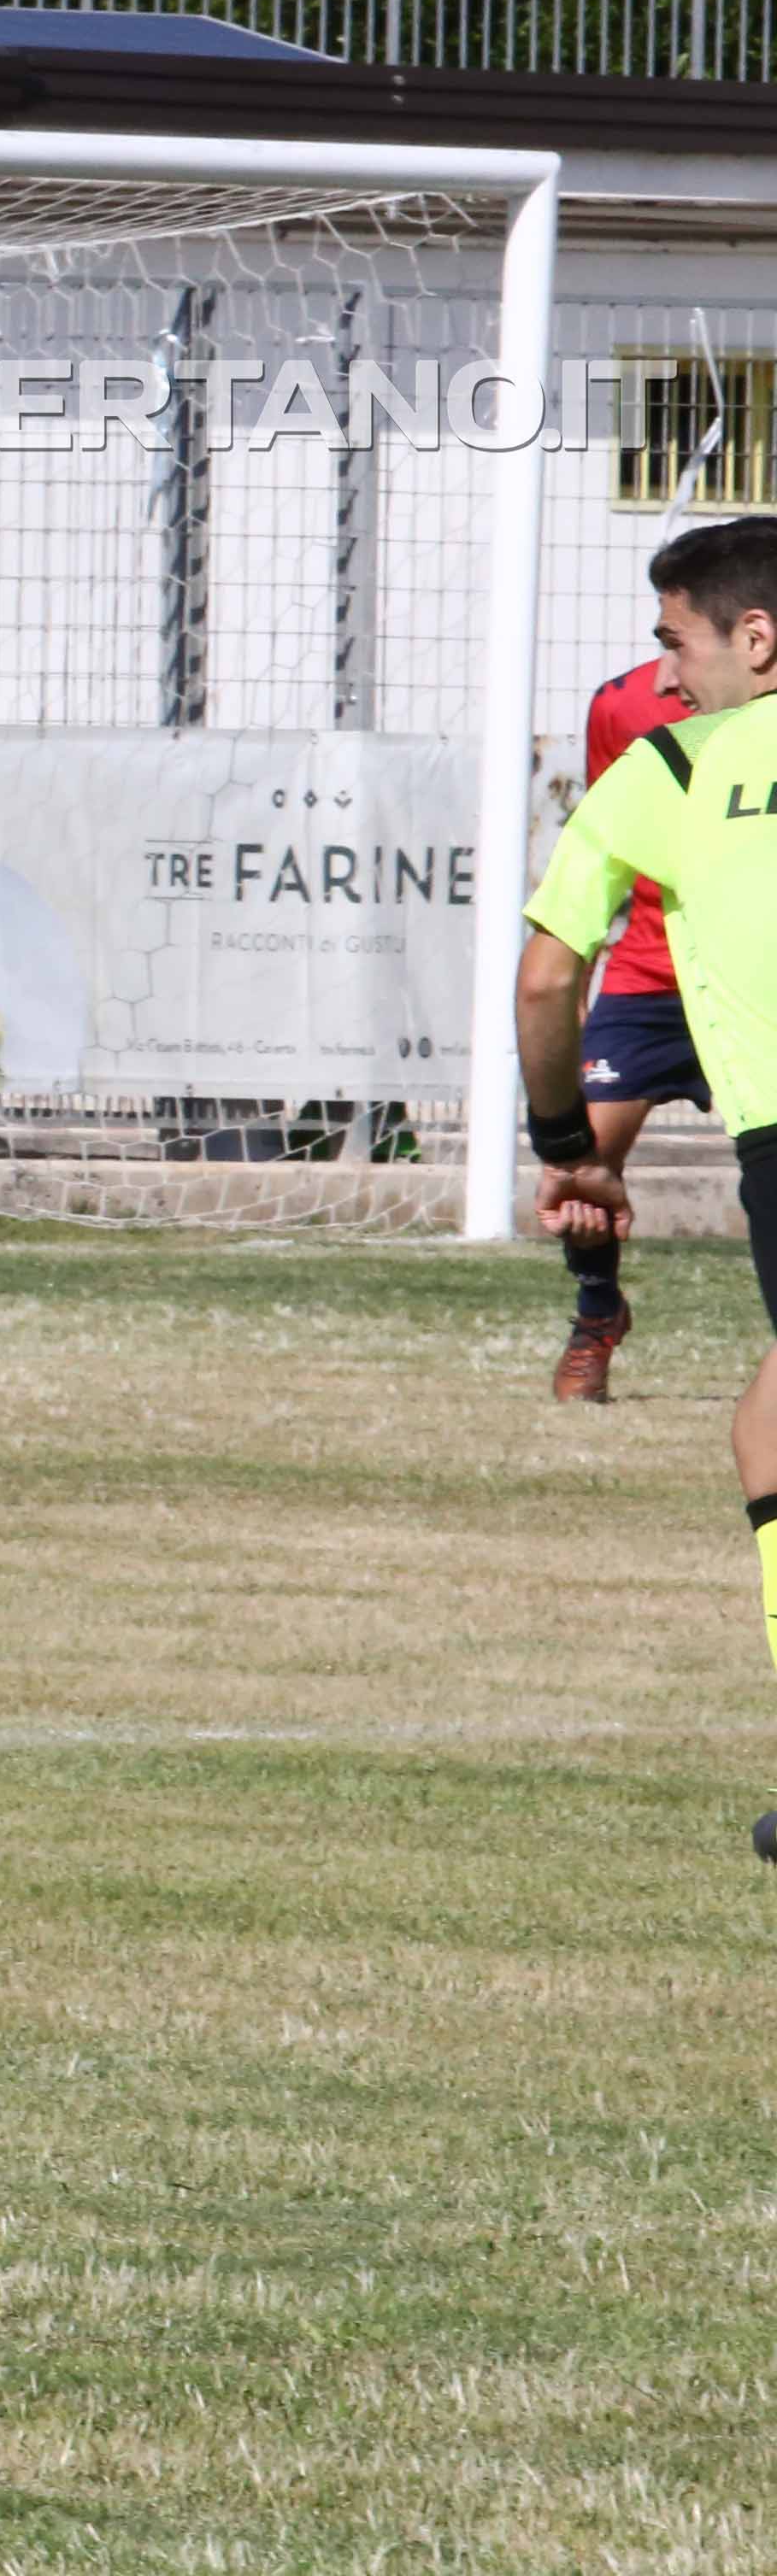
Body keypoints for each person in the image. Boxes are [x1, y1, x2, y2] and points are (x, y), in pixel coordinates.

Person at [516, 515, 777, 1859]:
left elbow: (548, 974)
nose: (664, 677)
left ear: (755, 637)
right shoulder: (654, 728)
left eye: (677, 643)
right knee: (767, 1424)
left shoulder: (674, 760)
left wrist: (564, 1147)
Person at [551, 648, 705, 1402]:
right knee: (583, 1160)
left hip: (750, 983)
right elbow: (600, 848)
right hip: (647, 978)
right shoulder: (621, 704)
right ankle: (597, 1315)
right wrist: (575, 981)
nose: (668, 672)